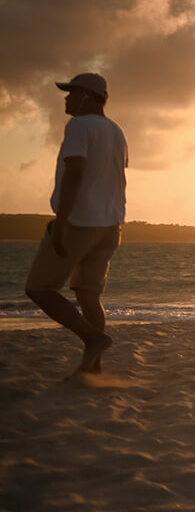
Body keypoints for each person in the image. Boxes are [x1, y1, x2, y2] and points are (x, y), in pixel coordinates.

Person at [24, 73, 128, 378]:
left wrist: (62, 221)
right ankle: (92, 369)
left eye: (72, 93)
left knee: (39, 288)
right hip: (111, 225)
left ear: (90, 97)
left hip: (80, 222)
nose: (67, 99)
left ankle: (94, 339)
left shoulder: (79, 126)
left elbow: (75, 174)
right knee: (88, 295)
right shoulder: (116, 131)